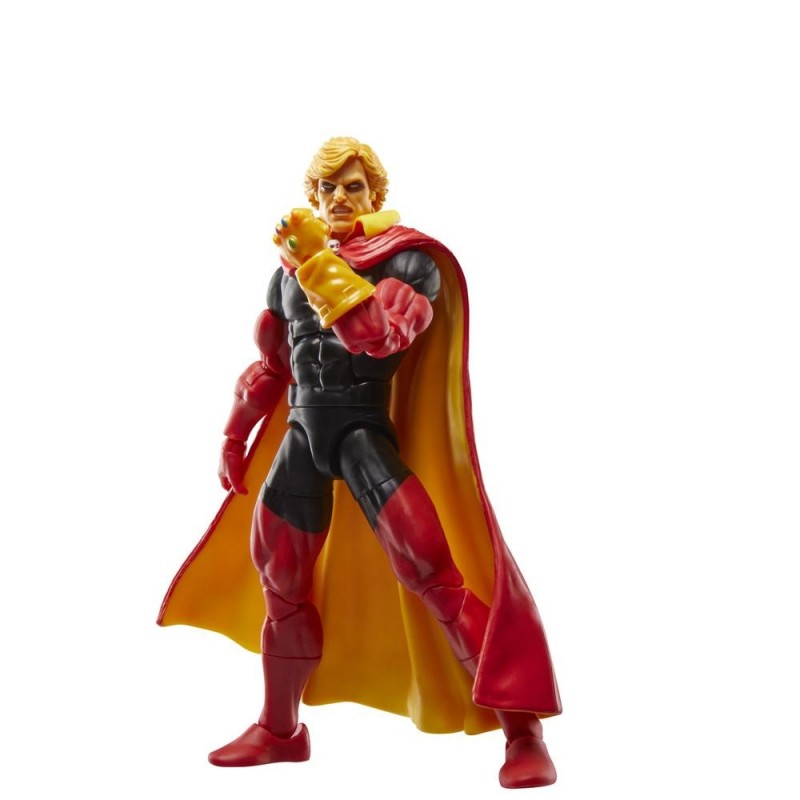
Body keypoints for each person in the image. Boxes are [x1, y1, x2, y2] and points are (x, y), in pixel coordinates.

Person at [159, 137, 562, 789]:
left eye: (352, 186)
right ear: (313, 196)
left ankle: (522, 731)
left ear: (375, 194)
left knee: (433, 574)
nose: (338, 199)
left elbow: (378, 336)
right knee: (280, 583)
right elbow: (272, 366)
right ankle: (280, 730)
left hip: (363, 433)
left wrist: (318, 264)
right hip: (303, 435)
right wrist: (234, 435)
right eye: (327, 189)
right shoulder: (289, 272)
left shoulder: (407, 261)